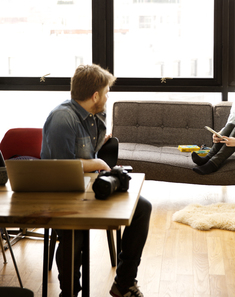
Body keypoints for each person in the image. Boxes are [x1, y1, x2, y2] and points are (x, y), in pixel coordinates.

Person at [41, 64, 152, 297]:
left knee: (142, 208)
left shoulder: (94, 115)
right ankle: (70, 292)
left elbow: (90, 149)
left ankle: (124, 284)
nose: (107, 96)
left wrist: (101, 145)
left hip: (88, 187)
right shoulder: (62, 118)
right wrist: (98, 164)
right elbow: (62, 167)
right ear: (95, 96)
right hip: (63, 193)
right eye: (106, 93)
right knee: (74, 233)